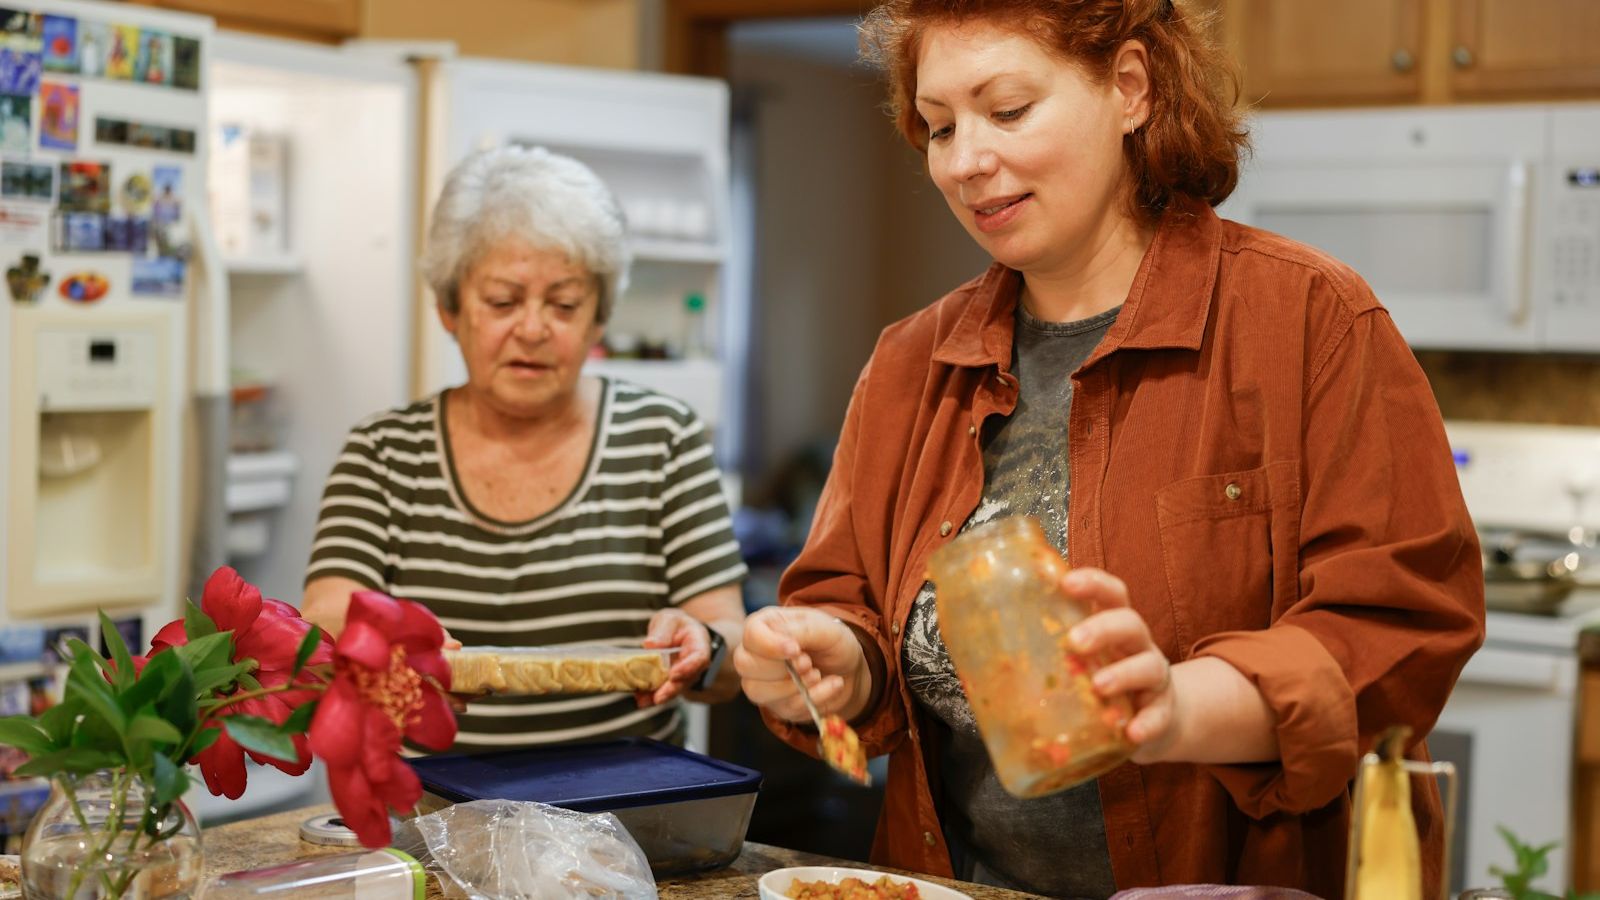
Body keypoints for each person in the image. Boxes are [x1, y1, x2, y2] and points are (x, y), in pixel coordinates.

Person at [733, 1, 1485, 897]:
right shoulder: (909, 366)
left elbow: (1398, 628)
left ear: (1129, 87)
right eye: (939, 127)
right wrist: (832, 658)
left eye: (1008, 110)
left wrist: (1177, 709)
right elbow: (854, 617)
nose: (966, 160)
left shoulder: (1309, 321)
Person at [304, 146, 747, 751]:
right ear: (450, 310)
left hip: (622, 812)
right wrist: (382, 646)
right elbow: (323, 624)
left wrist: (703, 641)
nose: (534, 329)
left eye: (564, 305)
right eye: (504, 301)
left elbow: (728, 649)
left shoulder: (661, 438)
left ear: (598, 321)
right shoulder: (384, 453)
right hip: (433, 811)